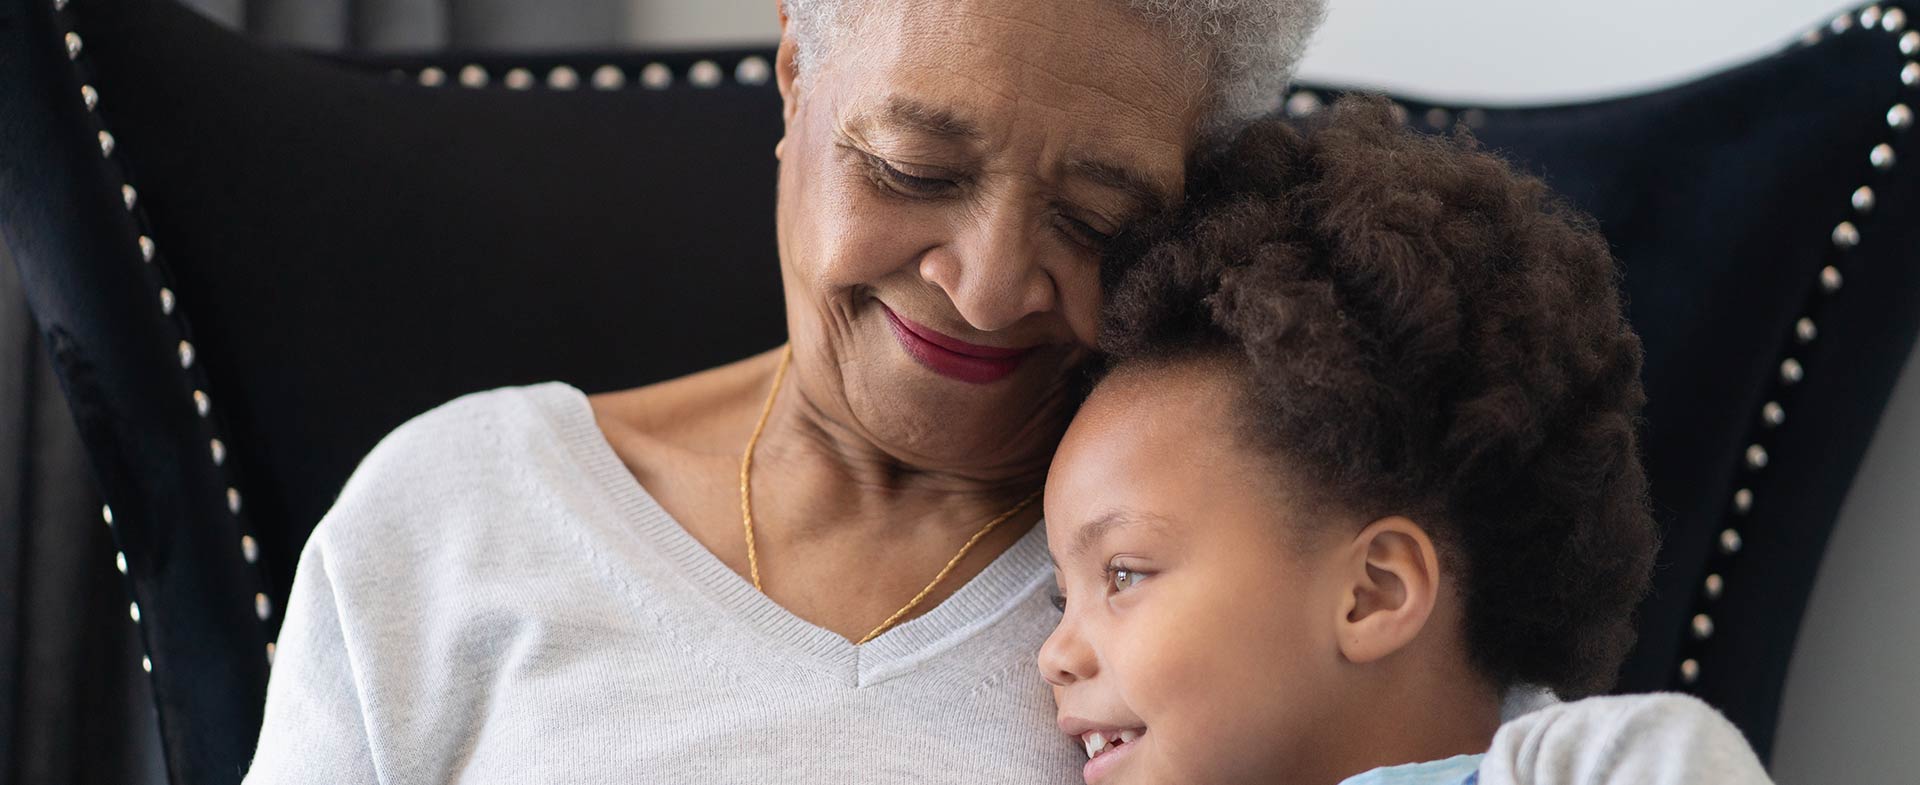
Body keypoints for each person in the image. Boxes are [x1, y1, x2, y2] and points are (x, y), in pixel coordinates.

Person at [242, 0, 1324, 782]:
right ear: (798, 71)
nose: (988, 290)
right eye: (914, 169)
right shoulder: (461, 511)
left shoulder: (1270, 558)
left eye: (1095, 220)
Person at [1038, 98, 1772, 785]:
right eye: (1058, 598)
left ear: (1372, 591)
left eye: (1124, 574)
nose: (1053, 656)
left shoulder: (1595, 762)